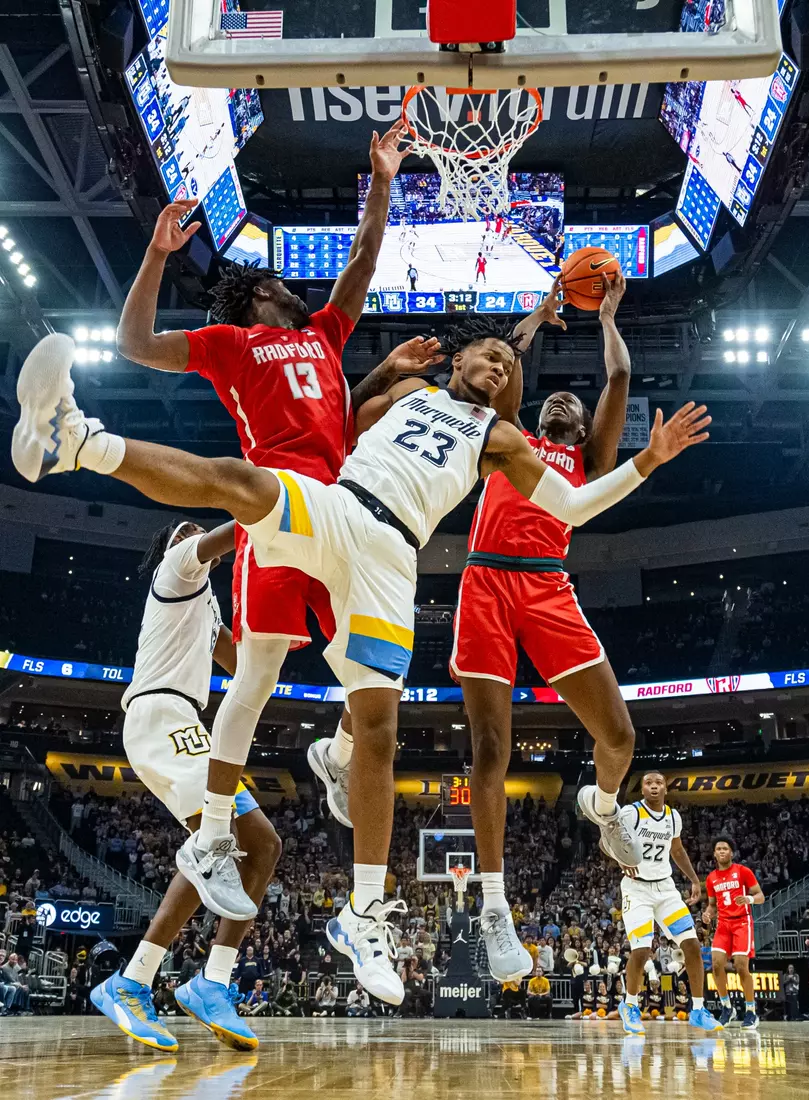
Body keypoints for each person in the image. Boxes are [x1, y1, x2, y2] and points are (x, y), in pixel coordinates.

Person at [12, 320, 709, 1007]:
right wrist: (384, 370)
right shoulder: (406, 396)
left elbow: (576, 506)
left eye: (506, 363)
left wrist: (649, 458)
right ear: (458, 359)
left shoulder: (499, 439)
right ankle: (76, 440)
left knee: (378, 728)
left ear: (511, 385)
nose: (495, 365)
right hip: (339, 508)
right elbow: (335, 414)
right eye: (485, 354)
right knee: (241, 483)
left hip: (390, 556)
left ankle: (363, 914)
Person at [112, 120, 422, 892]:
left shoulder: (322, 333)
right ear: (259, 293)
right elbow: (135, 345)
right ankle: (212, 837)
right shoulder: (228, 341)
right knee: (256, 679)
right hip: (275, 509)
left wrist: (381, 177)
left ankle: (337, 757)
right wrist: (155, 256)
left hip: (341, 513)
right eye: (278, 280)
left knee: (374, 681)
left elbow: (363, 258)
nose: (295, 285)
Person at [450, 276, 647, 980]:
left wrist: (609, 317)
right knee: (490, 749)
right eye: (551, 398)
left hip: (547, 587)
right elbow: (503, 365)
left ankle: (602, 804)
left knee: (619, 735)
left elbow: (618, 373)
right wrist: (535, 314)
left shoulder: (589, 460)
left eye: (572, 401)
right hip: (486, 580)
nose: (560, 400)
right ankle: (495, 905)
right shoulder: (512, 440)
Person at [89, 520, 281, 1054]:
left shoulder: (209, 604)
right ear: (171, 544)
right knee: (215, 847)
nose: (197, 534)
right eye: (187, 530)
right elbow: (234, 529)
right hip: (160, 714)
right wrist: (275, 512)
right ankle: (130, 984)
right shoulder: (175, 569)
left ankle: (207, 982)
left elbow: (242, 664)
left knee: (262, 845)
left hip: (185, 725)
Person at [613, 773, 720, 1035]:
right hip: (637, 890)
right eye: (648, 782)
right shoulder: (631, 813)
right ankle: (629, 1005)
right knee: (641, 949)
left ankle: (697, 1009)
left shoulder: (673, 816)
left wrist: (695, 879)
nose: (653, 786)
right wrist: (620, 858)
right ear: (642, 788)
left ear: (665, 788)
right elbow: (607, 841)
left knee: (693, 945)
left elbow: (677, 850)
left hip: (666, 888)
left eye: (658, 783)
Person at [703, 837, 765, 1029]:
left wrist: (748, 899)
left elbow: (760, 896)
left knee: (740, 966)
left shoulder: (743, 871)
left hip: (741, 923)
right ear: (714, 853)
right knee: (715, 964)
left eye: (725, 848)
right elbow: (712, 906)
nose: (722, 851)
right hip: (723, 924)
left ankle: (751, 1011)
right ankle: (727, 1008)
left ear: (731, 852)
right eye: (718, 849)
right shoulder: (711, 878)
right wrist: (707, 914)